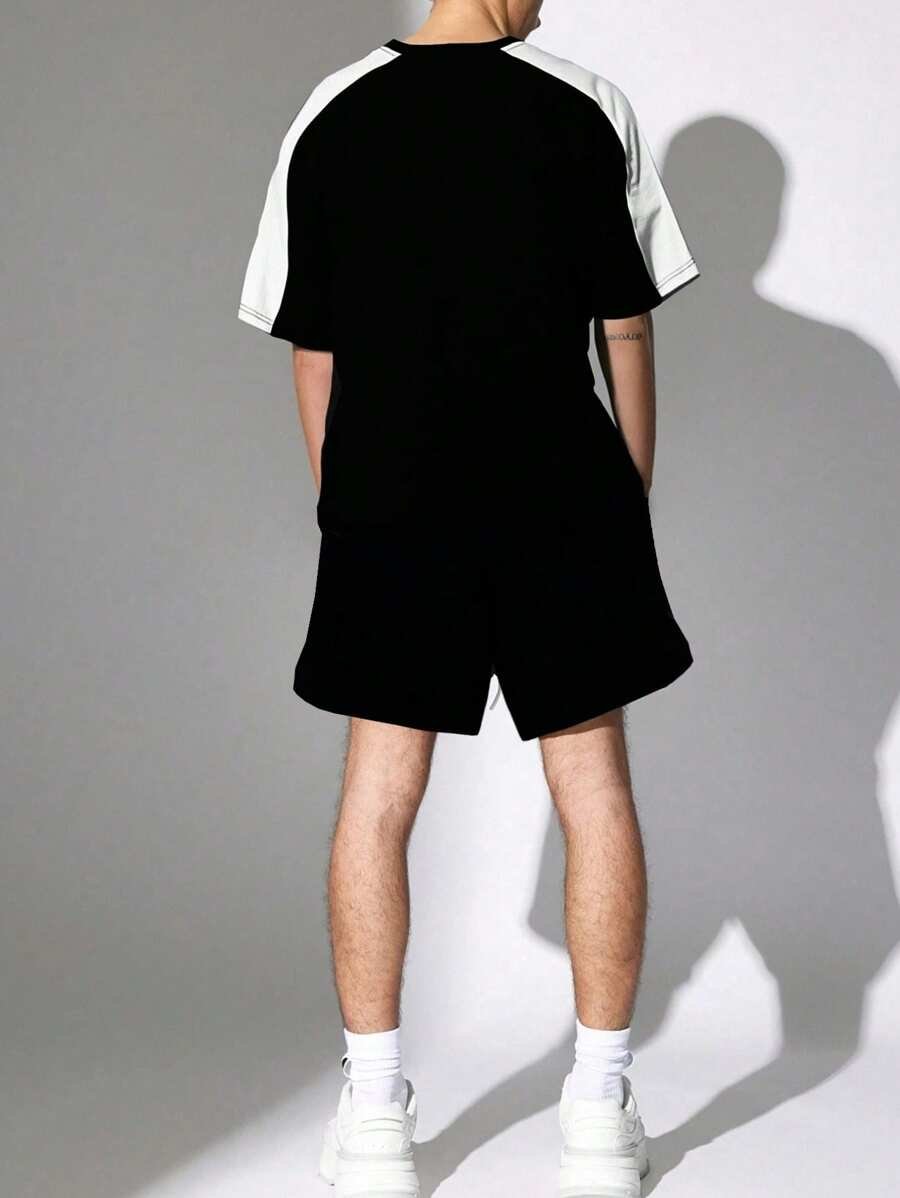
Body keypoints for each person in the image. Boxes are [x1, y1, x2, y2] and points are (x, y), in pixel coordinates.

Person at [237, 1, 699, 1193]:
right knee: (593, 790)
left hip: (392, 495)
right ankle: (600, 1114)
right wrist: (629, 496)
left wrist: (345, 501)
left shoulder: (332, 112)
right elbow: (627, 329)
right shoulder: (584, 106)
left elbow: (311, 346)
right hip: (563, 493)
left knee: (378, 795)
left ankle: (375, 1119)